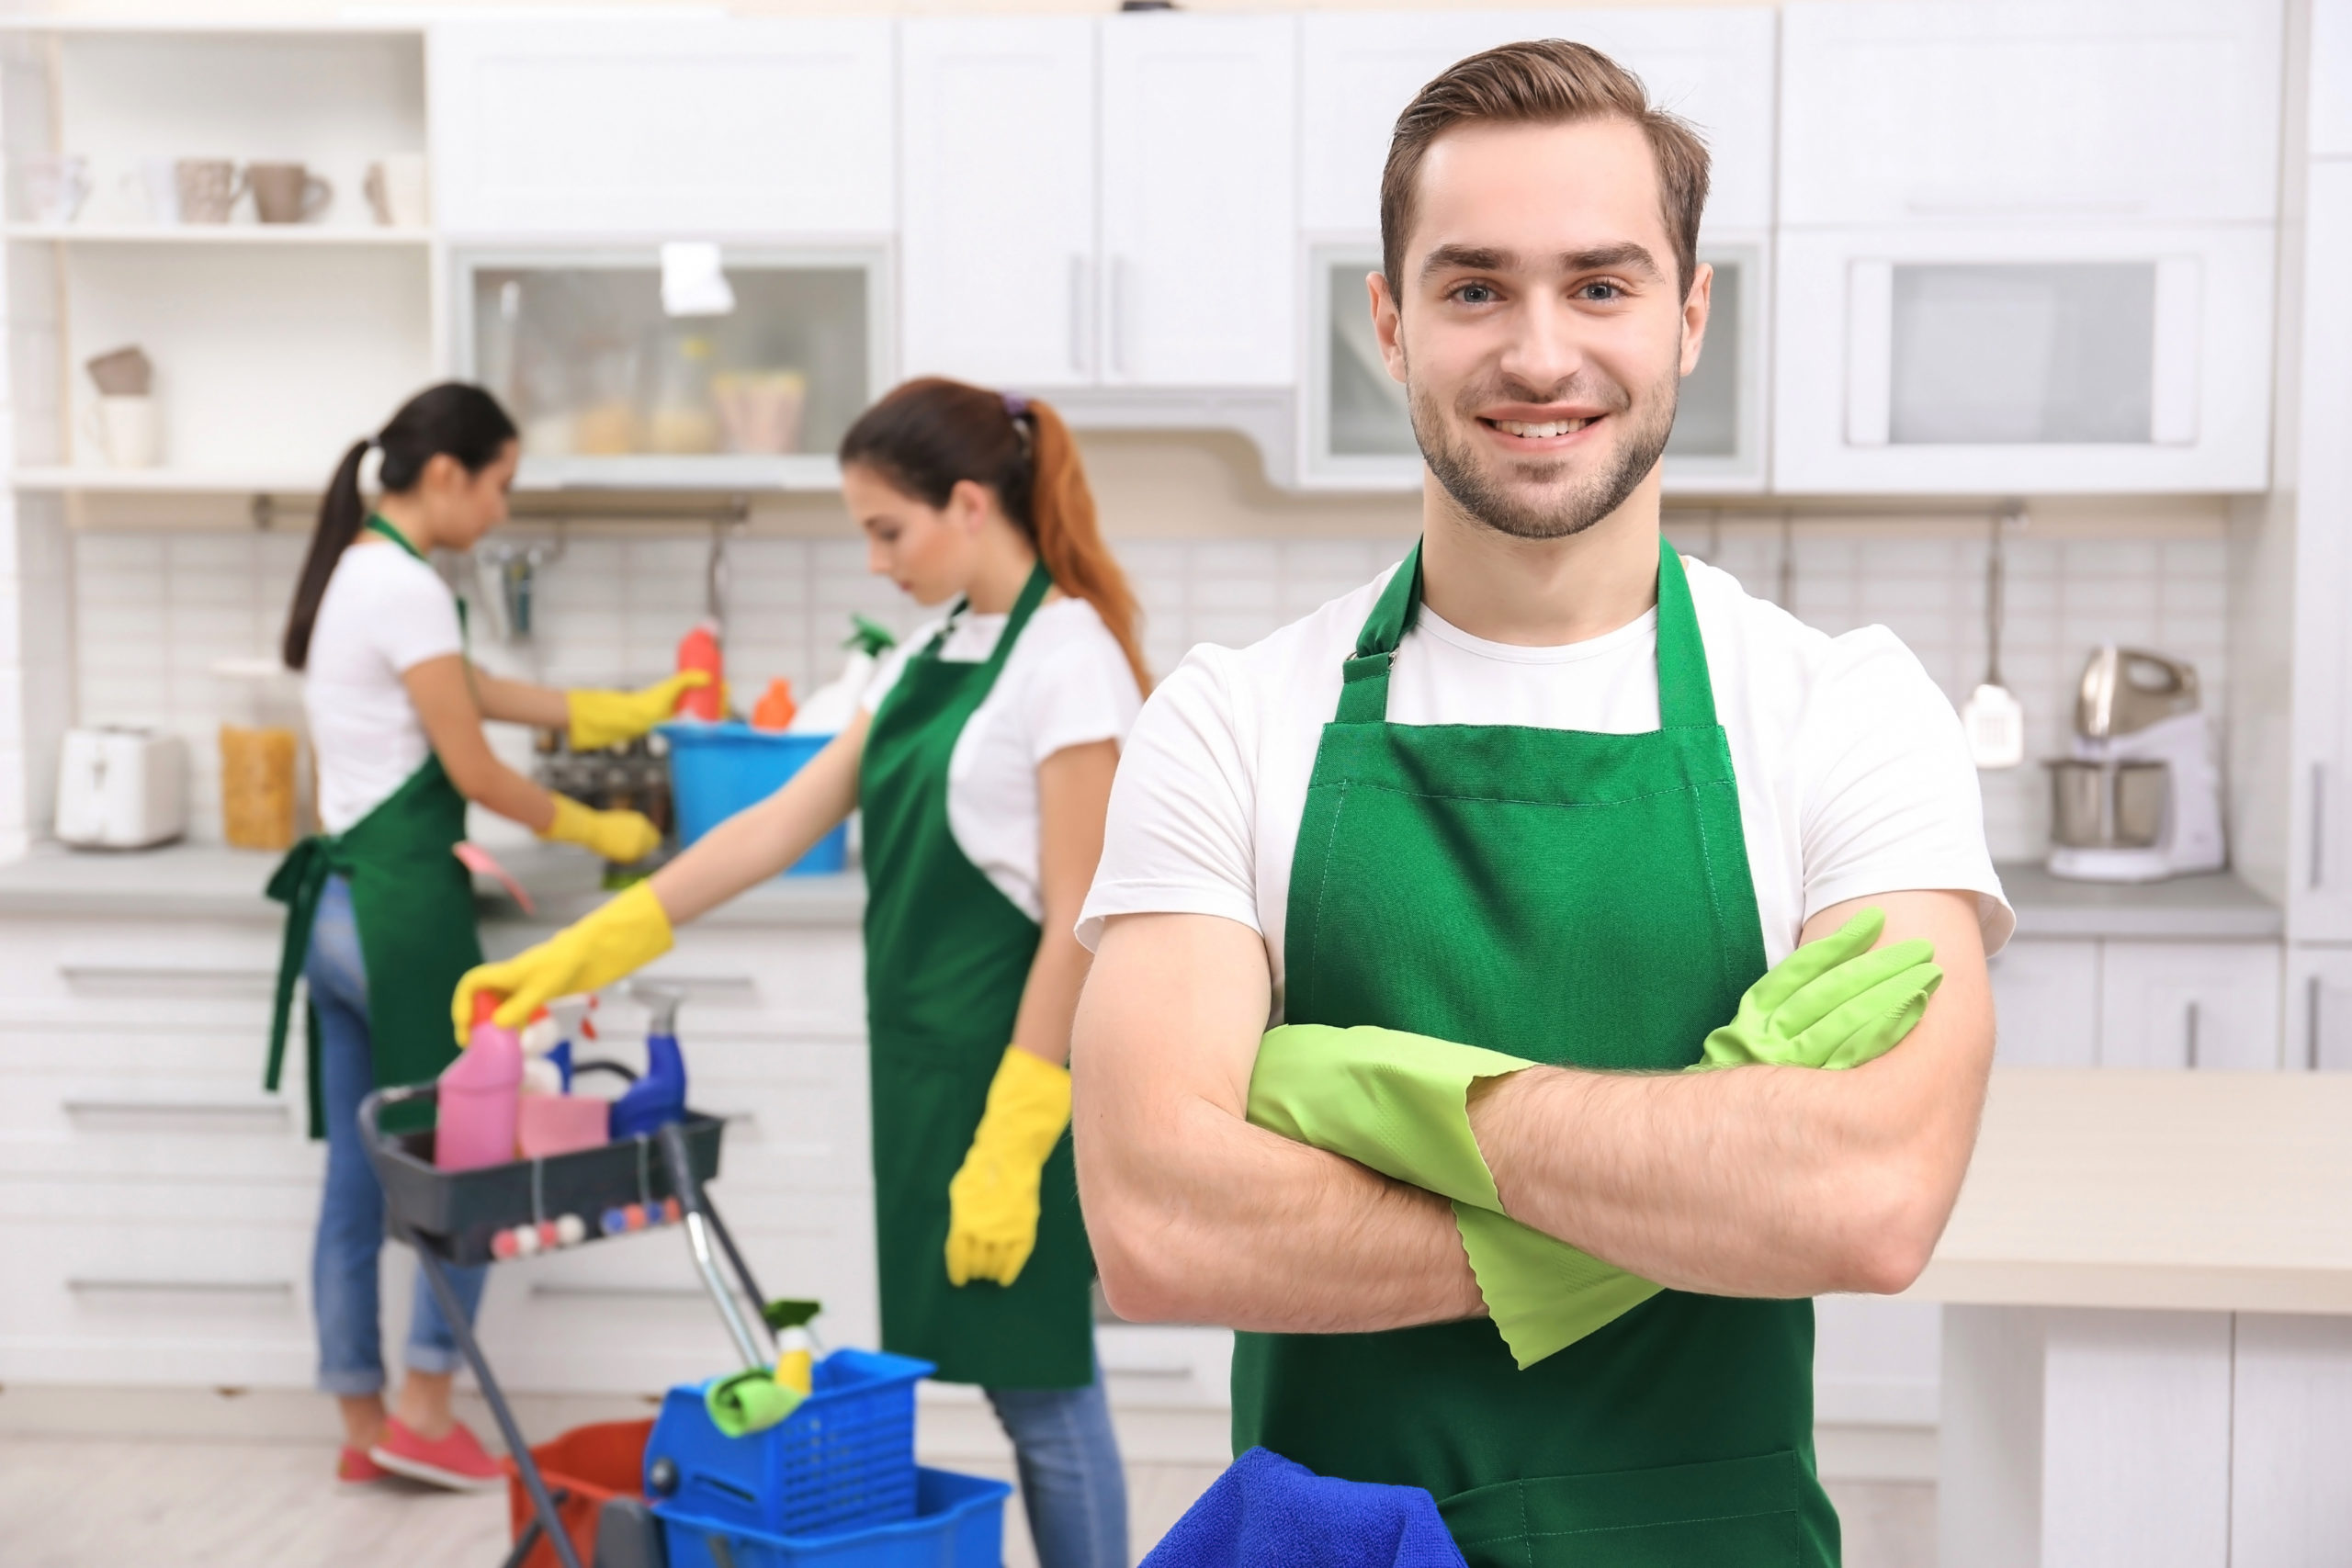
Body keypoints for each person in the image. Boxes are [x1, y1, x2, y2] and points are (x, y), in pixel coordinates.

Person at [1069, 41, 2012, 1568]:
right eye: (1472, 288)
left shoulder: (1845, 709)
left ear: (1690, 314)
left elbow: (1866, 1195)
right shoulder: (1229, 721)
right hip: (1346, 1544)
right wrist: (1703, 1165)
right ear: (1388, 320)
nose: (1537, 353)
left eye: (1600, 285)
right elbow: (1164, 1225)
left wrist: (1365, 1085)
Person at [454, 378, 1146, 1568]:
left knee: (1042, 1386)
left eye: (888, 530)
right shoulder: (936, 646)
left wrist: (1019, 1127)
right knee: (1001, 1380)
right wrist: (576, 950)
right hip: (925, 1071)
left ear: (969, 504)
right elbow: (776, 823)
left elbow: (1079, 916)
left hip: (1009, 1076)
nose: (876, 562)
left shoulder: (1068, 657)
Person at [264, 382, 708, 1491]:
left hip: (333, 918)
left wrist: (620, 709)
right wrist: (602, 822)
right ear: (450, 473)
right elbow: (473, 768)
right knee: (477, 1168)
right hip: (401, 919)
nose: (504, 510)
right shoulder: (409, 586)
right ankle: (425, 1402)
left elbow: (475, 692)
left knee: (360, 1183)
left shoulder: (360, 570)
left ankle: (364, 1424)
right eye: (502, 483)